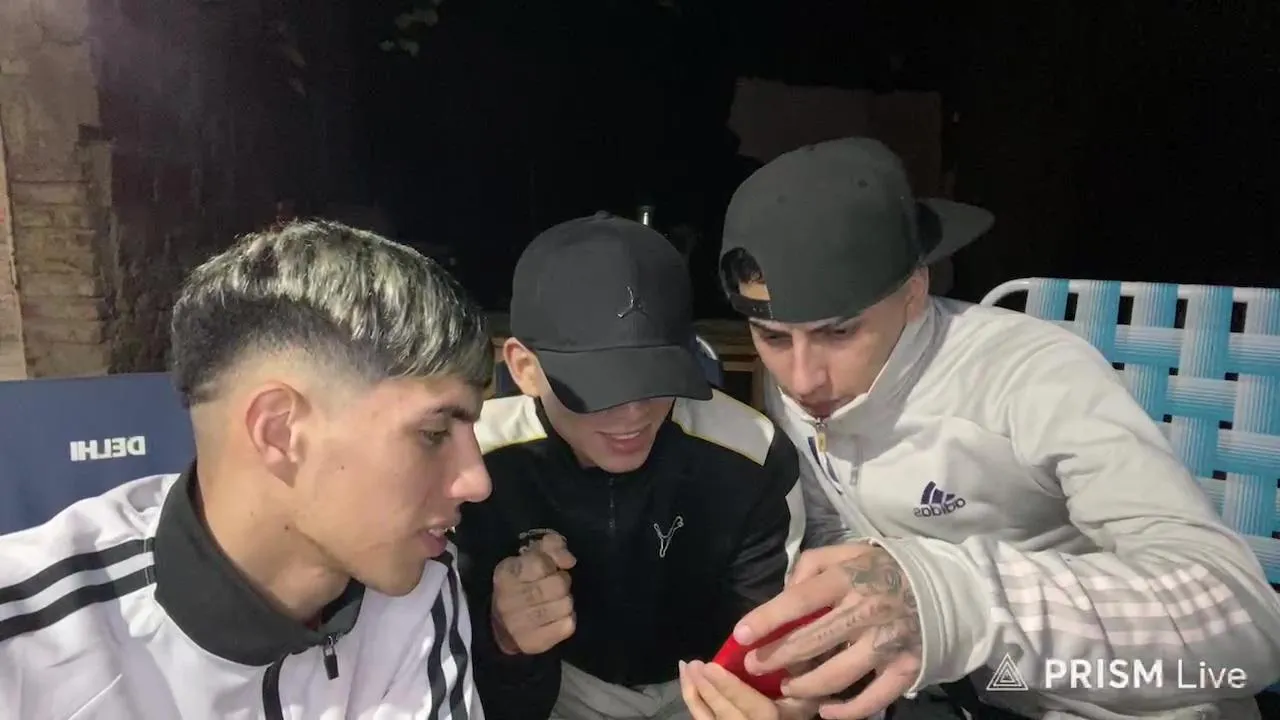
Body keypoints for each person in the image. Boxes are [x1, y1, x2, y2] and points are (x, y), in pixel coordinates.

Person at [679, 137, 1280, 720]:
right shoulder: (798, 388)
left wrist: (951, 600)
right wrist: (817, 673)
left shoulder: (1034, 375)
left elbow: (1246, 621)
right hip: (954, 696)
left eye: (839, 331)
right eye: (773, 337)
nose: (803, 378)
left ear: (914, 292)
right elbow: (841, 539)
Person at [0, 220, 494, 719]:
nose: (477, 481)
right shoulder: (24, 632)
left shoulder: (417, 588)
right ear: (280, 431)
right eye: (433, 433)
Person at [455, 213, 806, 720]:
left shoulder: (753, 455)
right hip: (558, 689)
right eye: (599, 386)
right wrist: (505, 639)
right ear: (524, 367)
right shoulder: (471, 467)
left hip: (706, 685)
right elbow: (458, 684)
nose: (634, 412)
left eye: (656, 375)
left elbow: (763, 655)